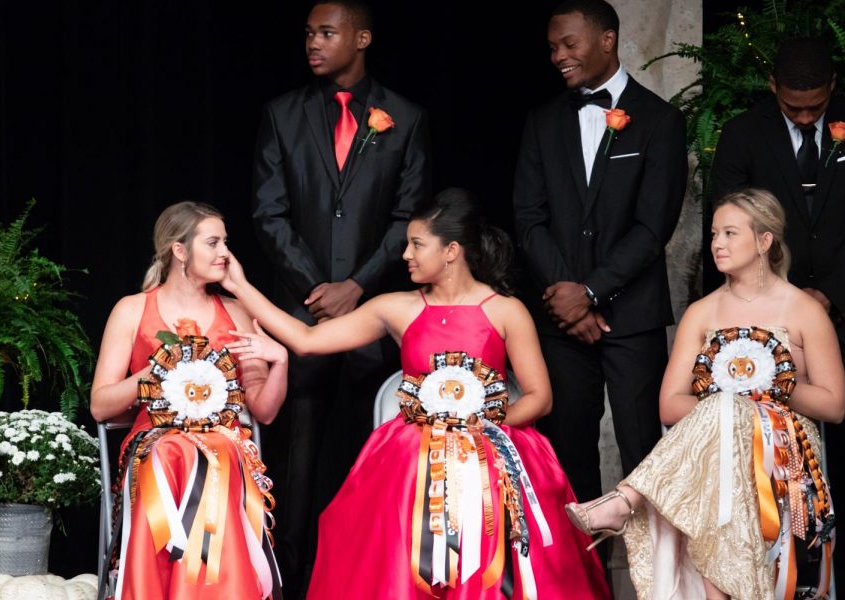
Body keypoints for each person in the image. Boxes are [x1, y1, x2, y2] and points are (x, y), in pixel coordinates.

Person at [223, 189, 610, 599]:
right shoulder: (396, 307)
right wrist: (240, 285)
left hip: (490, 448)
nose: (405, 254)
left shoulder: (506, 310)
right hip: (413, 452)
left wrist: (479, 429)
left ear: (451, 251)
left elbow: (538, 397)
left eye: (417, 244)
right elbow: (306, 339)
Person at [565, 189, 845, 600]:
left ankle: (627, 500)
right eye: (715, 234)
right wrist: (727, 399)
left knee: (731, 415)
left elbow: (834, 405)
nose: (717, 244)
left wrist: (771, 388)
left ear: (764, 241)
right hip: (714, 449)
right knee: (724, 425)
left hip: (783, 451)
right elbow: (669, 404)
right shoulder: (702, 312)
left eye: (730, 233)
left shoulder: (805, 311)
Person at [250, 1, 431, 592]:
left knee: (371, 454)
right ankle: (290, 579)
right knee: (295, 459)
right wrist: (315, 288)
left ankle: (365, 579)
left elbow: (408, 216)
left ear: (362, 37)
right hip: (302, 312)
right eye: (308, 33)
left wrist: (358, 286)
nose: (313, 42)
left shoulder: (404, 115)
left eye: (326, 33)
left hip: (372, 313)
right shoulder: (282, 113)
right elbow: (269, 213)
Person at [710, 37, 845, 598]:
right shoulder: (742, 134)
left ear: (833, 89)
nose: (807, 116)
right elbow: (730, 217)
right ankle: (790, 583)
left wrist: (826, 297)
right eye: (795, 108)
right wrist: (781, 299)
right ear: (774, 90)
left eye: (816, 106)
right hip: (767, 324)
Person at [512, 0, 688, 561]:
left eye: (569, 44)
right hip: (563, 323)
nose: (558, 56)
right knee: (569, 452)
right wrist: (569, 298)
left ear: (608, 39)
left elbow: (652, 226)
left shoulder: (660, 120)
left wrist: (590, 292)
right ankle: (581, 580)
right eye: (551, 48)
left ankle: (653, 577)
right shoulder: (542, 121)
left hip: (631, 316)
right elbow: (528, 217)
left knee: (643, 451)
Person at [90, 202, 289, 600]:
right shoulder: (132, 310)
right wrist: (150, 375)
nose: (224, 254)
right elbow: (100, 405)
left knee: (215, 452)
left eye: (225, 243)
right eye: (213, 243)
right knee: (169, 452)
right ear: (179, 250)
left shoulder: (234, 311)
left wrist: (280, 359)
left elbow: (264, 410)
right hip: (156, 445)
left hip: (225, 444)